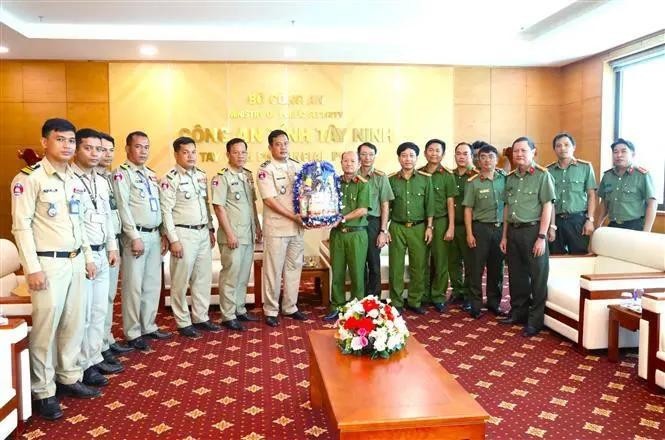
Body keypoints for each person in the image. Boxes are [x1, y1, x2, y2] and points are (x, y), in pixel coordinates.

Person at [11, 118, 99, 420]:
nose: (67, 146)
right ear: (44, 142)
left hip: (76, 260)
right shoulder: (29, 179)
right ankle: (43, 390)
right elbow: (20, 228)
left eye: (71, 141)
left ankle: (69, 375)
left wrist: (88, 256)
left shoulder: (74, 179)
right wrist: (32, 268)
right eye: (61, 139)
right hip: (47, 264)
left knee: (74, 323)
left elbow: (81, 223)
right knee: (47, 328)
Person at [72, 129, 124, 389]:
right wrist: (89, 255)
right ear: (77, 150)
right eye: (89, 148)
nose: (96, 154)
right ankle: (80, 365)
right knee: (84, 314)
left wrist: (112, 246)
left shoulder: (101, 181)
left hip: (104, 250)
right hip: (85, 255)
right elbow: (76, 223)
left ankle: (93, 359)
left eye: (100, 149)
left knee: (99, 310)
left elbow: (105, 217)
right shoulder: (70, 180)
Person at [113, 131, 170, 351]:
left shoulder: (150, 174)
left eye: (146, 147)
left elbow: (160, 207)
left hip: (154, 235)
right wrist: (134, 236)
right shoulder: (121, 174)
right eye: (138, 147)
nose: (143, 151)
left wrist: (163, 232)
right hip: (135, 236)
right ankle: (133, 331)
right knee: (133, 286)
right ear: (128, 148)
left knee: (152, 284)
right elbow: (123, 207)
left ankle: (148, 325)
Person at [159, 136, 220, 338]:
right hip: (183, 233)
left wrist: (210, 229)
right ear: (176, 154)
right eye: (186, 152)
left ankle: (201, 317)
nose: (191, 156)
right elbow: (165, 211)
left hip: (203, 232)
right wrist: (173, 239)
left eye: (193, 152)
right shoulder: (170, 179)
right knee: (180, 280)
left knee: (202, 278)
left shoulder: (201, 176)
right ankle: (183, 322)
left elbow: (206, 204)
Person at [499, 136, 555, 337]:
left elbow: (547, 206)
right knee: (516, 275)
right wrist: (504, 236)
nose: (519, 154)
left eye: (523, 150)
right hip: (513, 231)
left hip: (533, 231)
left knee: (538, 276)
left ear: (533, 152)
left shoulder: (542, 175)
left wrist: (541, 236)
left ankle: (535, 320)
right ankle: (518, 313)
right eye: (516, 151)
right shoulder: (511, 177)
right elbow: (506, 207)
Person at [256, 130, 307, 327]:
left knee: (294, 268)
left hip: (297, 228)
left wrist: (309, 215)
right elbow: (269, 200)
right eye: (278, 144)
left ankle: (290, 306)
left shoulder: (298, 166)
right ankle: (270, 309)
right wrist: (293, 216)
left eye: (286, 143)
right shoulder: (265, 170)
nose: (283, 147)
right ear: (270, 147)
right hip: (277, 228)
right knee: (273, 270)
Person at [211, 138, 262, 331]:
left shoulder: (247, 176)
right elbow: (219, 207)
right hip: (232, 237)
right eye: (236, 152)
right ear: (228, 154)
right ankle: (228, 314)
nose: (240, 156)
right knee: (230, 275)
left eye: (243, 152)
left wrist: (257, 226)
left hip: (247, 234)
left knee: (242, 275)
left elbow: (251, 205)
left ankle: (240, 309)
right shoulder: (221, 177)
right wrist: (230, 234)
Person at [96, 132, 133, 366]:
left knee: (109, 296)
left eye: (110, 150)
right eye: (102, 150)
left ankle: (106, 340)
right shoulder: (86, 180)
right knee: (97, 302)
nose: (106, 154)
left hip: (113, 242)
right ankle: (98, 348)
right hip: (94, 247)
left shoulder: (108, 178)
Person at [388, 142, 434, 314]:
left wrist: (429, 227)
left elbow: (430, 206)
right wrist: (385, 230)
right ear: (399, 158)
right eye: (404, 155)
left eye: (411, 155)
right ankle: (396, 302)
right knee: (396, 266)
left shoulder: (425, 179)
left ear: (416, 158)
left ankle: (415, 300)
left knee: (419, 266)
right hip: (397, 227)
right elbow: (387, 206)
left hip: (419, 227)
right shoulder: (391, 180)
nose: (408, 159)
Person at [324, 151, 370, 321]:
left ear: (359, 164)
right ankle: (336, 305)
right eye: (346, 161)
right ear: (341, 163)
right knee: (337, 271)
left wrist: (342, 218)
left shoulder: (363, 184)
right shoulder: (333, 183)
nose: (349, 164)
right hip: (337, 234)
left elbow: (362, 210)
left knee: (357, 273)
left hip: (356, 234)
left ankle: (356, 308)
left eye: (353, 161)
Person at [463, 143, 507, 319]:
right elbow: (468, 209)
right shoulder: (473, 183)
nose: (487, 161)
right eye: (483, 157)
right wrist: (469, 233)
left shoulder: (505, 179)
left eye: (491, 157)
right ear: (478, 161)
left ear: (496, 160)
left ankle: (494, 303)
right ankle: (475, 304)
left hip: (499, 229)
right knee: (476, 268)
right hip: (480, 228)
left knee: (497, 268)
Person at [418, 139, 456, 313]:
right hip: (421, 222)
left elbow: (450, 202)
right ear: (425, 153)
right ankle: (423, 294)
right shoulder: (418, 173)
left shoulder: (447, 175)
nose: (434, 153)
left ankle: (438, 295)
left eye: (437, 151)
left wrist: (451, 227)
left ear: (443, 154)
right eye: (430, 150)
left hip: (441, 221)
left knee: (441, 260)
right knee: (422, 260)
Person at [547, 132, 597, 254]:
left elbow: (591, 195)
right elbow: (549, 201)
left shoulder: (585, 167)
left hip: (578, 220)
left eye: (566, 145)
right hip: (556, 221)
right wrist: (551, 226)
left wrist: (590, 220)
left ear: (573, 147)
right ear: (554, 149)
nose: (562, 148)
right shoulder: (548, 171)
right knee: (555, 257)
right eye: (558, 145)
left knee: (579, 256)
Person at [357, 142, 394, 298]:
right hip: (356, 224)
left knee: (373, 263)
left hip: (373, 223)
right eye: (364, 154)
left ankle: (374, 301)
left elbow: (385, 204)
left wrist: (383, 231)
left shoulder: (380, 177)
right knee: (358, 263)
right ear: (358, 156)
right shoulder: (353, 176)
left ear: (375, 156)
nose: (367, 158)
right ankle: (359, 299)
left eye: (371, 154)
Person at [597, 138, 657, 232]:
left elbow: (652, 204)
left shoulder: (642, 175)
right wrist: (598, 226)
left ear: (632, 154)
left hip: (634, 226)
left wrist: (646, 232)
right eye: (615, 152)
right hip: (613, 225)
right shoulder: (607, 176)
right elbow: (604, 204)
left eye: (623, 151)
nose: (619, 155)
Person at [448, 142, 477, 310]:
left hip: (470, 226)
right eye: (458, 153)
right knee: (453, 261)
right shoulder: (449, 175)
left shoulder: (476, 176)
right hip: (453, 224)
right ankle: (457, 291)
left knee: (470, 261)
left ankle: (468, 293)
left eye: (465, 154)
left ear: (471, 156)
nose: (461, 156)